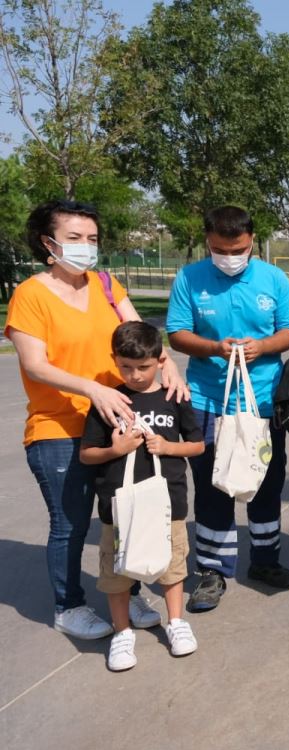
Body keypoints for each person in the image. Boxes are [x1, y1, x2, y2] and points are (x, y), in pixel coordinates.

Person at [7, 199, 187, 639]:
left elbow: (141, 333)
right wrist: (92, 388)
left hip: (118, 423)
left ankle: (129, 591)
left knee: (122, 516)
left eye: (91, 238)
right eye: (74, 238)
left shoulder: (106, 284)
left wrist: (169, 364)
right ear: (48, 243)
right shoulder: (30, 294)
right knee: (70, 523)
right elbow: (35, 365)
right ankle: (69, 606)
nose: (86, 246)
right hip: (59, 428)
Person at [166, 206, 289, 612]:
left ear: (251, 241)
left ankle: (265, 560)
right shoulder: (190, 278)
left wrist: (264, 346)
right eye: (220, 249)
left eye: (238, 249)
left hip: (263, 399)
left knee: (266, 481)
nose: (230, 257)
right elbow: (176, 333)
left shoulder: (272, 278)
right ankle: (211, 570)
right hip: (208, 401)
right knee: (213, 485)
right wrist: (212, 348)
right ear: (208, 241)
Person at [80, 321, 205, 670]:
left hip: (168, 504)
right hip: (118, 507)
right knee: (117, 572)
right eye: (126, 367)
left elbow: (197, 445)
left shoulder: (174, 397)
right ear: (114, 360)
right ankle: (122, 633)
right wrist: (114, 449)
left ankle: (177, 622)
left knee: (171, 567)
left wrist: (167, 446)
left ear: (159, 360)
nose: (135, 375)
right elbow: (87, 453)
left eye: (144, 367)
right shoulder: (109, 401)